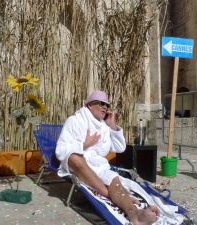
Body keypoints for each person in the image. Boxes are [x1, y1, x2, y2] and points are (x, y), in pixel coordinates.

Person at [55, 90, 159, 225]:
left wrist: (112, 125)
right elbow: (61, 150)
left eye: (107, 105)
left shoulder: (103, 127)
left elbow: (120, 147)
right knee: (75, 158)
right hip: (78, 165)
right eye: (101, 104)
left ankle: (135, 214)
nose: (105, 107)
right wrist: (84, 144)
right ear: (90, 105)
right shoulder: (75, 120)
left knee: (113, 179)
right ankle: (111, 195)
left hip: (98, 166)